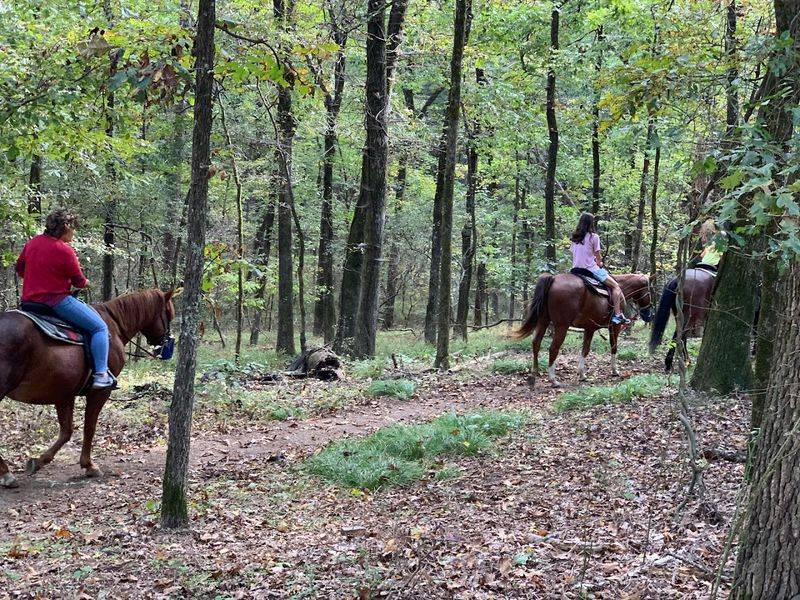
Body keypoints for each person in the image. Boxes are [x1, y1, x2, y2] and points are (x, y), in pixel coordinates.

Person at [15, 209, 116, 389]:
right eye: (73, 229)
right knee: (99, 327)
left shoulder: (33, 243)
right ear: (66, 228)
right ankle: (101, 374)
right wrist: (86, 282)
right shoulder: (64, 250)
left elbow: (20, 269)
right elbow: (79, 281)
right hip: (56, 302)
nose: (74, 233)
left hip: (29, 303)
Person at [569, 212, 630, 325]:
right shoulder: (594, 237)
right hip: (590, 270)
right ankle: (618, 315)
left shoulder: (574, 238)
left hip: (575, 270)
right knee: (615, 286)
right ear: (590, 223)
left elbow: (574, 254)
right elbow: (598, 257)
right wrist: (600, 263)